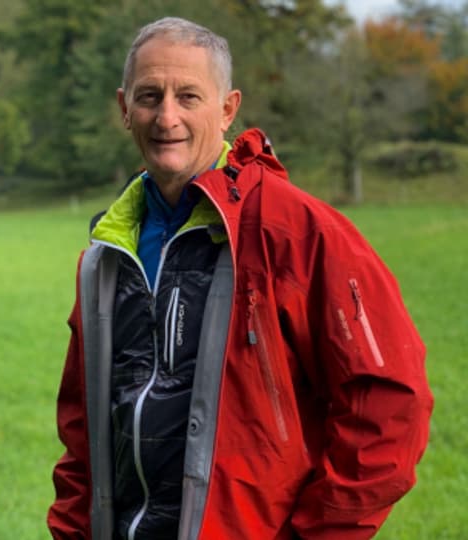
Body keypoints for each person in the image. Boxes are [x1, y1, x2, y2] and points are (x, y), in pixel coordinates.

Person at [48, 17, 433, 540]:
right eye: (149, 96)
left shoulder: (296, 231)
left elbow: (390, 403)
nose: (166, 117)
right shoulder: (106, 255)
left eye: (188, 96)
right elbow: (81, 430)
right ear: (123, 108)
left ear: (228, 109)